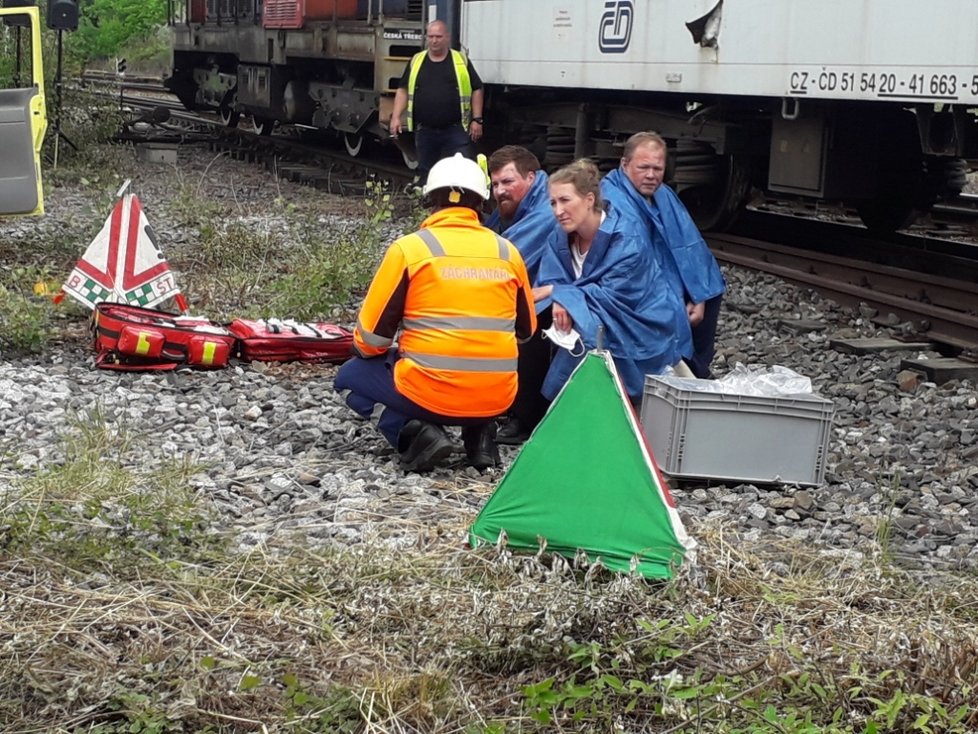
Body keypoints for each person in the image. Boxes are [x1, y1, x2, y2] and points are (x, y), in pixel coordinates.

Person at [334, 153, 536, 472]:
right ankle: (481, 435)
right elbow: (526, 332)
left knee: (349, 377)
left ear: (431, 200)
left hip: (431, 396)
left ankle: (419, 436)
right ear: (481, 202)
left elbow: (370, 340)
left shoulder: (411, 249)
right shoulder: (506, 252)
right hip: (496, 398)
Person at [533, 159, 688, 405]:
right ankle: (529, 413)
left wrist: (561, 294)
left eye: (565, 200)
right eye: (553, 202)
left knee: (588, 330)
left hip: (638, 322)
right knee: (532, 321)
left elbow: (614, 295)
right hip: (590, 309)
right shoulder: (559, 236)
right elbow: (552, 275)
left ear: (589, 200)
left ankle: (574, 406)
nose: (557, 210)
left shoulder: (626, 237)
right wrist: (560, 297)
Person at [601, 131, 726, 378]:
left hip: (671, 282)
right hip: (639, 291)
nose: (651, 175)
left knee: (710, 290)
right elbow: (638, 266)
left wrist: (697, 293)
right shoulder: (613, 199)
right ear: (624, 165)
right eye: (643, 167)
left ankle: (695, 374)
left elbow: (690, 247)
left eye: (657, 168)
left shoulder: (663, 194)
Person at [485, 145, 558, 444]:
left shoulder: (545, 212)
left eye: (508, 182)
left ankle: (525, 417)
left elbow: (501, 261)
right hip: (550, 288)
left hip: (560, 296)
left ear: (532, 177)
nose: (500, 190)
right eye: (495, 184)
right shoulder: (520, 205)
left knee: (532, 322)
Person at [389, 20, 485, 178]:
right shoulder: (417, 61)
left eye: (438, 36)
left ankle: (463, 201)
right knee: (427, 172)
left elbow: (477, 88)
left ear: (447, 37)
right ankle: (428, 201)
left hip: (455, 129)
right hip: (425, 130)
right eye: (431, 36)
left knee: (463, 171)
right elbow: (403, 89)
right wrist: (396, 117)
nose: (434, 40)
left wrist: (477, 119)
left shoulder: (460, 61)